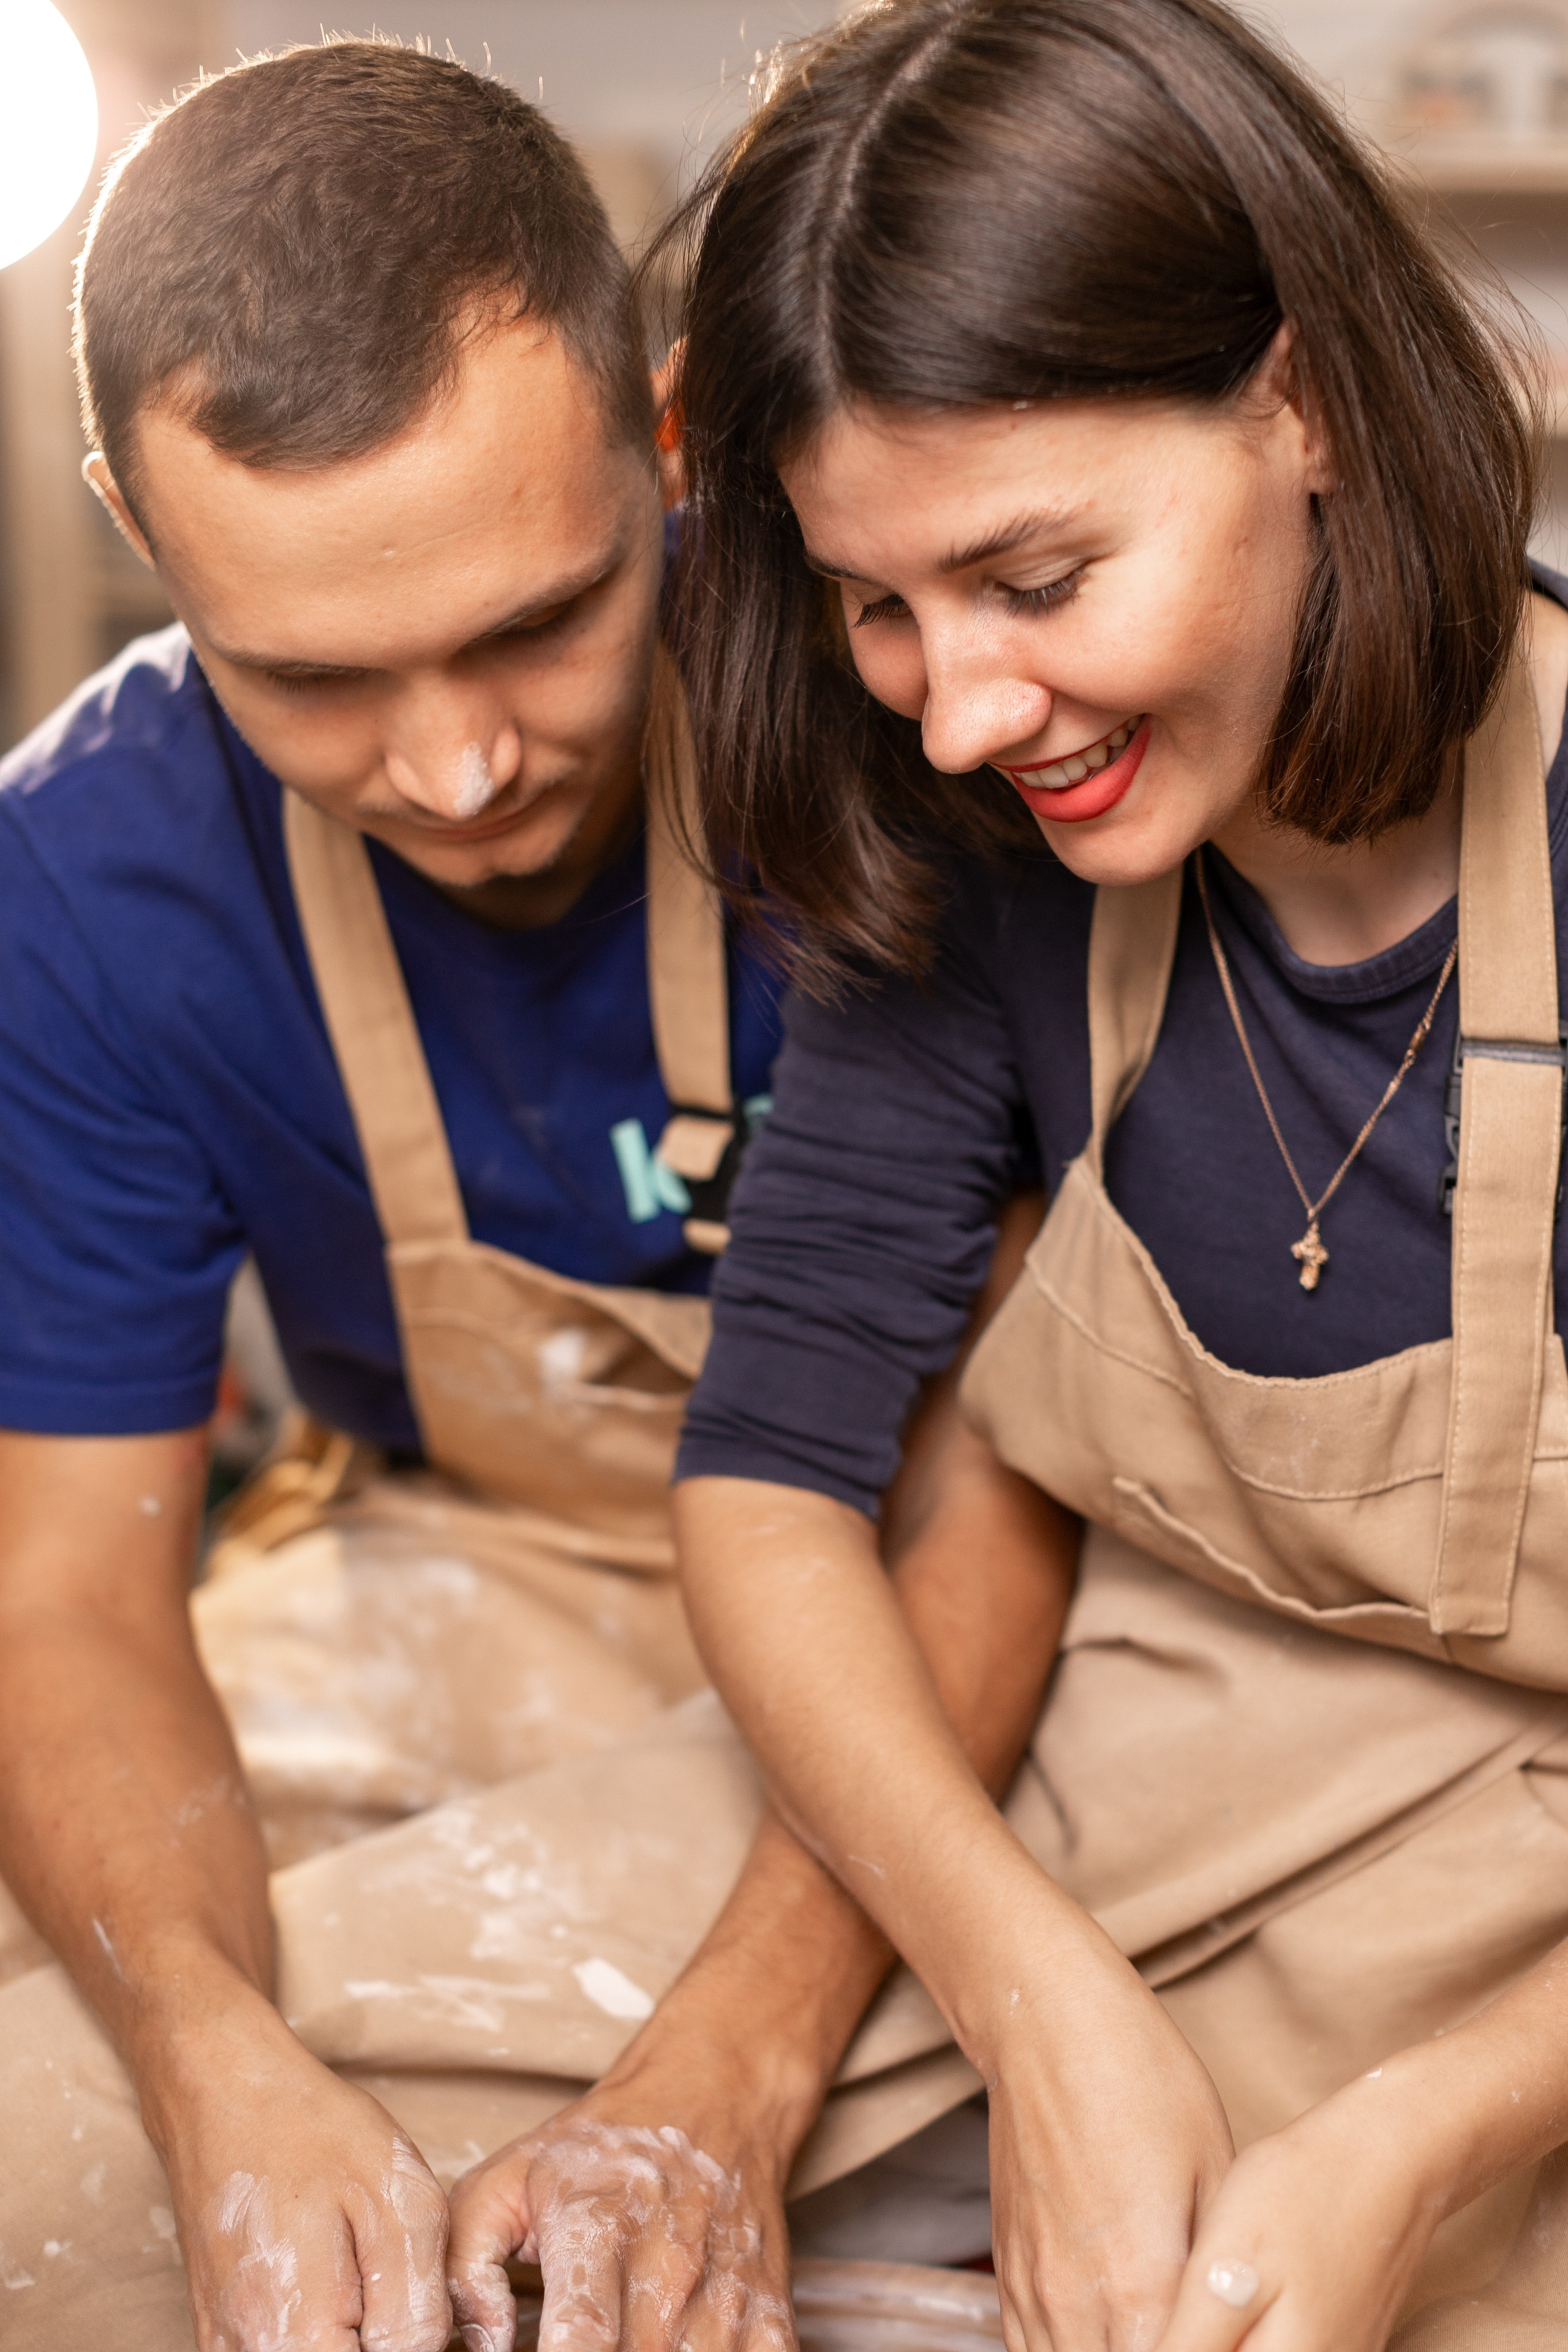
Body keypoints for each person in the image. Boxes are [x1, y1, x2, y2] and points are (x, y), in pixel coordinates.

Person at [0, 39, 1080, 2352]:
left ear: (668, 433)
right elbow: (77, 1585)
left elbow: (1017, 1476)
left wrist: (732, 2062)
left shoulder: (920, 713)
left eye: (535, 623)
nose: (463, 764)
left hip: (928, 1596)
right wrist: (210, 2067)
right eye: (315, 677)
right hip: (456, 1562)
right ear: (136, 521)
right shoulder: (83, 880)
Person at [666, 2, 1568, 2347]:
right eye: (878, 604)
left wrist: (1420, 2138)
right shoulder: (977, 832)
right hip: (1141, 1769)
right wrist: (1027, 1994)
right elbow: (768, 1481)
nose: (956, 710)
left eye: (1034, 578)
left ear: (1307, 403)